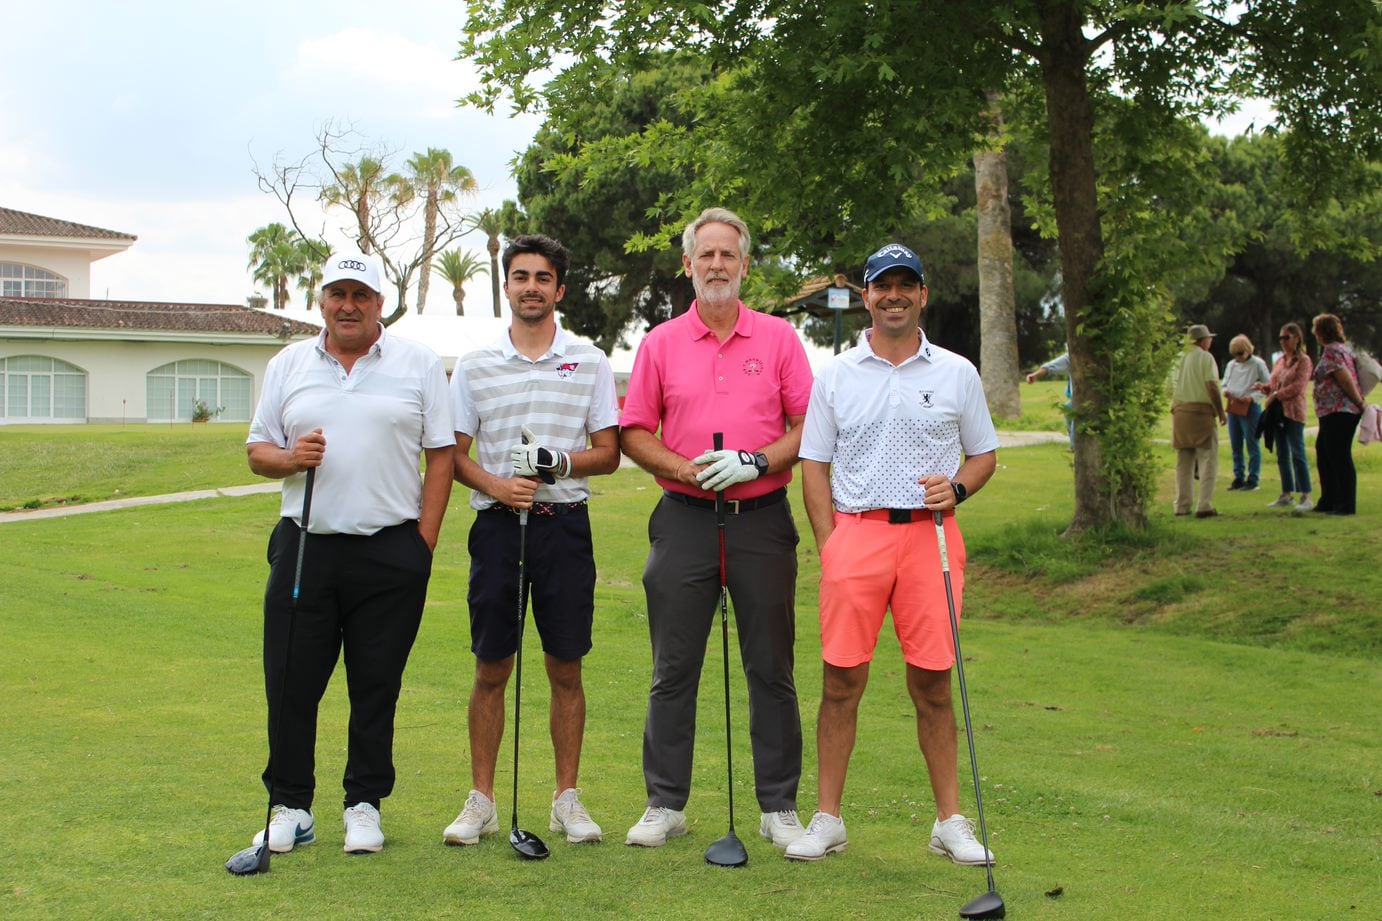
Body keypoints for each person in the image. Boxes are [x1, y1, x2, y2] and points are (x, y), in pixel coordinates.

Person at [789, 242, 1000, 864]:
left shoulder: (957, 372)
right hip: (857, 534)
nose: (895, 295)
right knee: (840, 680)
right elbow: (814, 466)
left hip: (930, 538)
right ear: (867, 297)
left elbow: (983, 454)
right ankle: (827, 817)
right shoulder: (836, 376)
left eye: (907, 285)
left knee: (934, 682)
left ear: (923, 295)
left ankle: (949, 821)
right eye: (883, 286)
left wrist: (957, 487)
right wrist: (833, 546)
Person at [243, 252, 455, 856]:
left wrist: (424, 541)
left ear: (380, 303)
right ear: (321, 301)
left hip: (391, 550)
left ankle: (363, 803)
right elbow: (259, 449)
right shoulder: (289, 363)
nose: (348, 305)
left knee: (376, 683)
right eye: (337, 293)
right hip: (306, 544)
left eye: (360, 294)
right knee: (290, 681)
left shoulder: (416, 363)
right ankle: (291, 805)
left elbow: (440, 453)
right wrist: (290, 459)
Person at [619, 207, 813, 850]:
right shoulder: (660, 342)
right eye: (706, 255)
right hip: (684, 520)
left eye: (728, 255)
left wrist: (755, 460)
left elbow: (809, 427)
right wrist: (687, 470)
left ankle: (779, 805)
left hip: (760, 521)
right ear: (688, 265)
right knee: (673, 667)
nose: (717, 266)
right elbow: (634, 432)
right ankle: (665, 802)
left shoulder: (779, 339)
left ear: (745, 264)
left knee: (771, 667)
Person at [442, 234, 620, 846]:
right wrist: (498, 484)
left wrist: (558, 463)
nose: (531, 287)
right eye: (521, 277)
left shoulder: (590, 360)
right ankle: (481, 799)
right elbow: (452, 455)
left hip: (564, 528)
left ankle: (566, 798)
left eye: (543, 278)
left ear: (559, 289)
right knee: (492, 666)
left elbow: (609, 453)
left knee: (565, 666)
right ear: (507, 286)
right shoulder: (474, 365)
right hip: (497, 527)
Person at [1309, 312, 1366, 515]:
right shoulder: (1342, 349)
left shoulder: (1333, 351)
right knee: (1325, 453)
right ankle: (1329, 500)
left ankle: (1345, 505)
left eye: (1316, 330)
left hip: (1340, 410)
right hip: (1331, 412)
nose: (1314, 334)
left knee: (1338, 456)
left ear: (1322, 332)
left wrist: (1359, 402)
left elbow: (1345, 379)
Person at [1255, 322, 1314, 511]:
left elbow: (1298, 387)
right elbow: (1275, 385)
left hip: (1294, 412)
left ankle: (1305, 495)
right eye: (1280, 338)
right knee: (1282, 454)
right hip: (1277, 413)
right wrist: (1265, 389)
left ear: (1297, 338)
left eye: (1286, 338)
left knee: (1298, 453)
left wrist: (1275, 396)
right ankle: (1286, 493)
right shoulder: (1280, 361)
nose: (1283, 342)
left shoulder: (1304, 361)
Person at [1171, 324, 1226, 518]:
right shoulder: (1205, 357)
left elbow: (1169, 387)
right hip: (1201, 412)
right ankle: (1204, 504)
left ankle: (1182, 505)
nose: (1210, 341)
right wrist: (1220, 411)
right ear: (1203, 340)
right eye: (1209, 338)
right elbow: (1211, 385)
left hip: (1180, 411)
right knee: (1207, 458)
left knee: (1183, 461)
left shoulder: (1177, 359)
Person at [1221, 334, 1271, 492]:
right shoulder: (1231, 365)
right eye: (1235, 354)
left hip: (1250, 407)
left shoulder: (1258, 363)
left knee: (1252, 443)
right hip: (1234, 405)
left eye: (1241, 354)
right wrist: (1226, 392)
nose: (1238, 357)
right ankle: (1238, 477)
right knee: (1236, 443)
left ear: (1248, 350)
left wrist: (1252, 398)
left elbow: (1268, 385)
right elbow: (1224, 384)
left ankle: (1253, 478)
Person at [1025, 351, 1074, 449]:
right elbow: (1052, 366)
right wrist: (1035, 375)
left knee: (1075, 418)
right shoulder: (1072, 356)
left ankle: (1076, 447)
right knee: (1068, 411)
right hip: (1075, 398)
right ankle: (1075, 446)